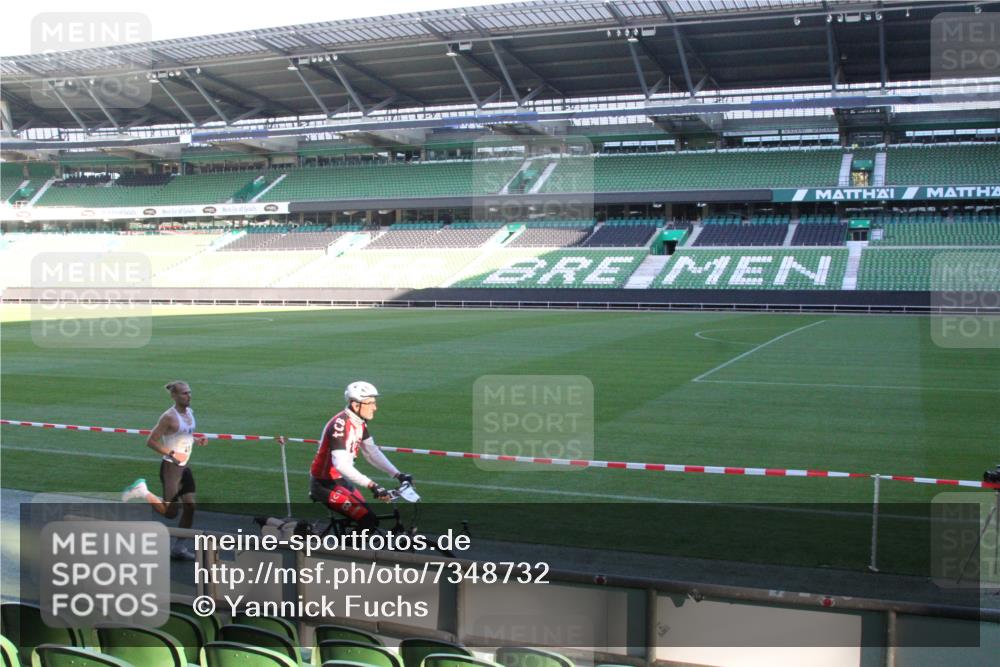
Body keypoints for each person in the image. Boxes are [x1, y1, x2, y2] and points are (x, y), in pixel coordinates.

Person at [306, 381, 412, 529]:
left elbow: (372, 452)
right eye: (370, 403)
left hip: (340, 481)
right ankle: (345, 551)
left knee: (372, 520)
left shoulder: (359, 423)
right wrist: (372, 485)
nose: (375, 407)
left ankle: (352, 545)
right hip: (324, 484)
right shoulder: (340, 425)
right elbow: (341, 464)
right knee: (367, 521)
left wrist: (398, 474)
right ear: (356, 405)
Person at [121, 380, 207, 560]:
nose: (188, 395)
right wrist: (172, 453)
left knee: (190, 506)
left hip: (185, 467)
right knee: (171, 513)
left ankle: (179, 547)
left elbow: (185, 435)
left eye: (189, 392)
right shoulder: (168, 417)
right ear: (174, 396)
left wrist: (196, 440)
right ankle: (142, 491)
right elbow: (151, 441)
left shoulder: (190, 413)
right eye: (184, 393)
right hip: (171, 468)